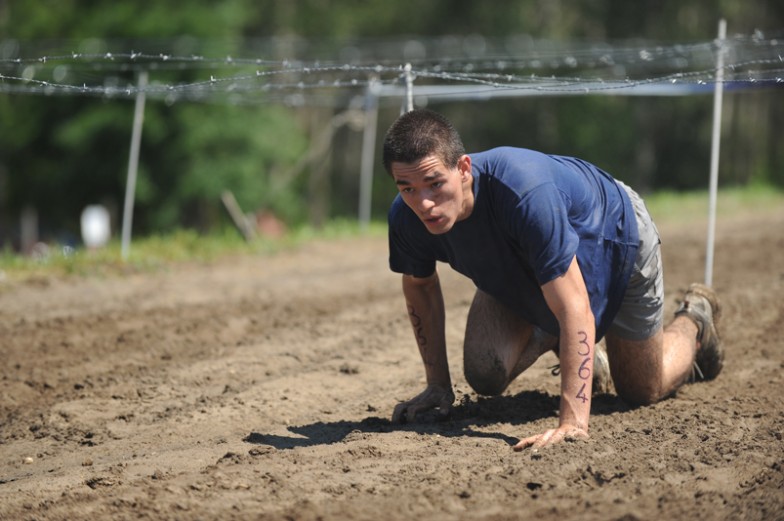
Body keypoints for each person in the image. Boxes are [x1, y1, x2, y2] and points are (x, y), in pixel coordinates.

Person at [382, 108, 723, 451]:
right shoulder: (406, 217)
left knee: (642, 389)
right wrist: (437, 385)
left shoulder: (524, 193)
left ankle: (695, 319)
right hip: (531, 262)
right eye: (407, 188)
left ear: (464, 168)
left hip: (613, 234)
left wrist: (572, 422)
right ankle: (580, 352)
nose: (424, 204)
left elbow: (574, 305)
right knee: (486, 371)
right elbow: (420, 286)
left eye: (435, 184)